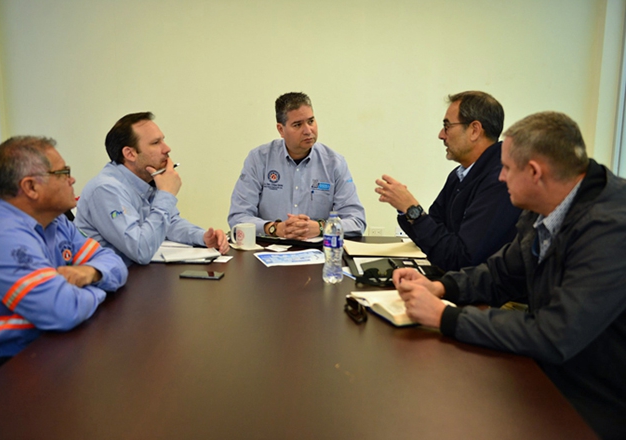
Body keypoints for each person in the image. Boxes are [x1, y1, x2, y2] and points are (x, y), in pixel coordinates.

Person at [393, 112, 626, 438]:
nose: (500, 178)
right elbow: (500, 273)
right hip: (552, 376)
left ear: (534, 172)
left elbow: (556, 333)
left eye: (506, 168)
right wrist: (441, 287)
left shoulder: (611, 229)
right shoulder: (546, 204)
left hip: (599, 400)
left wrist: (445, 317)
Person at [0, 136, 127, 390]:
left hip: (40, 351)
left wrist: (92, 272)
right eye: (63, 173)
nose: (72, 180)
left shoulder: (55, 220)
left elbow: (113, 261)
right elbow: (63, 310)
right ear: (31, 187)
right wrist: (100, 289)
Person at [375, 91, 521, 271]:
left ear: (474, 130)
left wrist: (412, 209)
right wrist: (405, 207)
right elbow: (433, 233)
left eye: (447, 126)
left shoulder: (499, 180)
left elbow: (462, 258)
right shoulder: (459, 176)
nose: (441, 135)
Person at [75, 112, 229, 266]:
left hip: (137, 274)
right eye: (156, 143)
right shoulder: (106, 189)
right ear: (130, 153)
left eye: (163, 140)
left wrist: (202, 237)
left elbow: (170, 223)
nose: (167, 149)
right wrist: (166, 194)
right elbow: (140, 251)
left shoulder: (146, 178)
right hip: (108, 278)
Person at [228, 92, 366, 239]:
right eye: (297, 125)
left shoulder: (334, 163)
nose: (308, 131)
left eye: (311, 121)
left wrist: (321, 228)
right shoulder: (259, 159)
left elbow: (357, 221)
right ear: (281, 130)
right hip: (267, 248)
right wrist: (274, 228)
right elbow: (238, 217)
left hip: (319, 250)